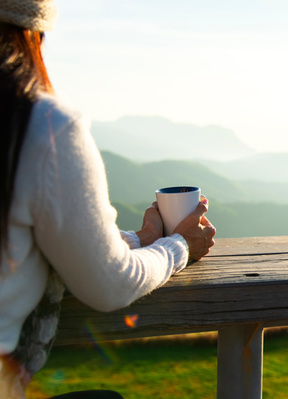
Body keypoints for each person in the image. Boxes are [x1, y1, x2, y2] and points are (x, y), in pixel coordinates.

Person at [0, 1, 217, 398]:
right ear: (33, 35)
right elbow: (109, 286)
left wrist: (138, 239)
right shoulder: (42, 126)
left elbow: (38, 239)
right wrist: (180, 245)